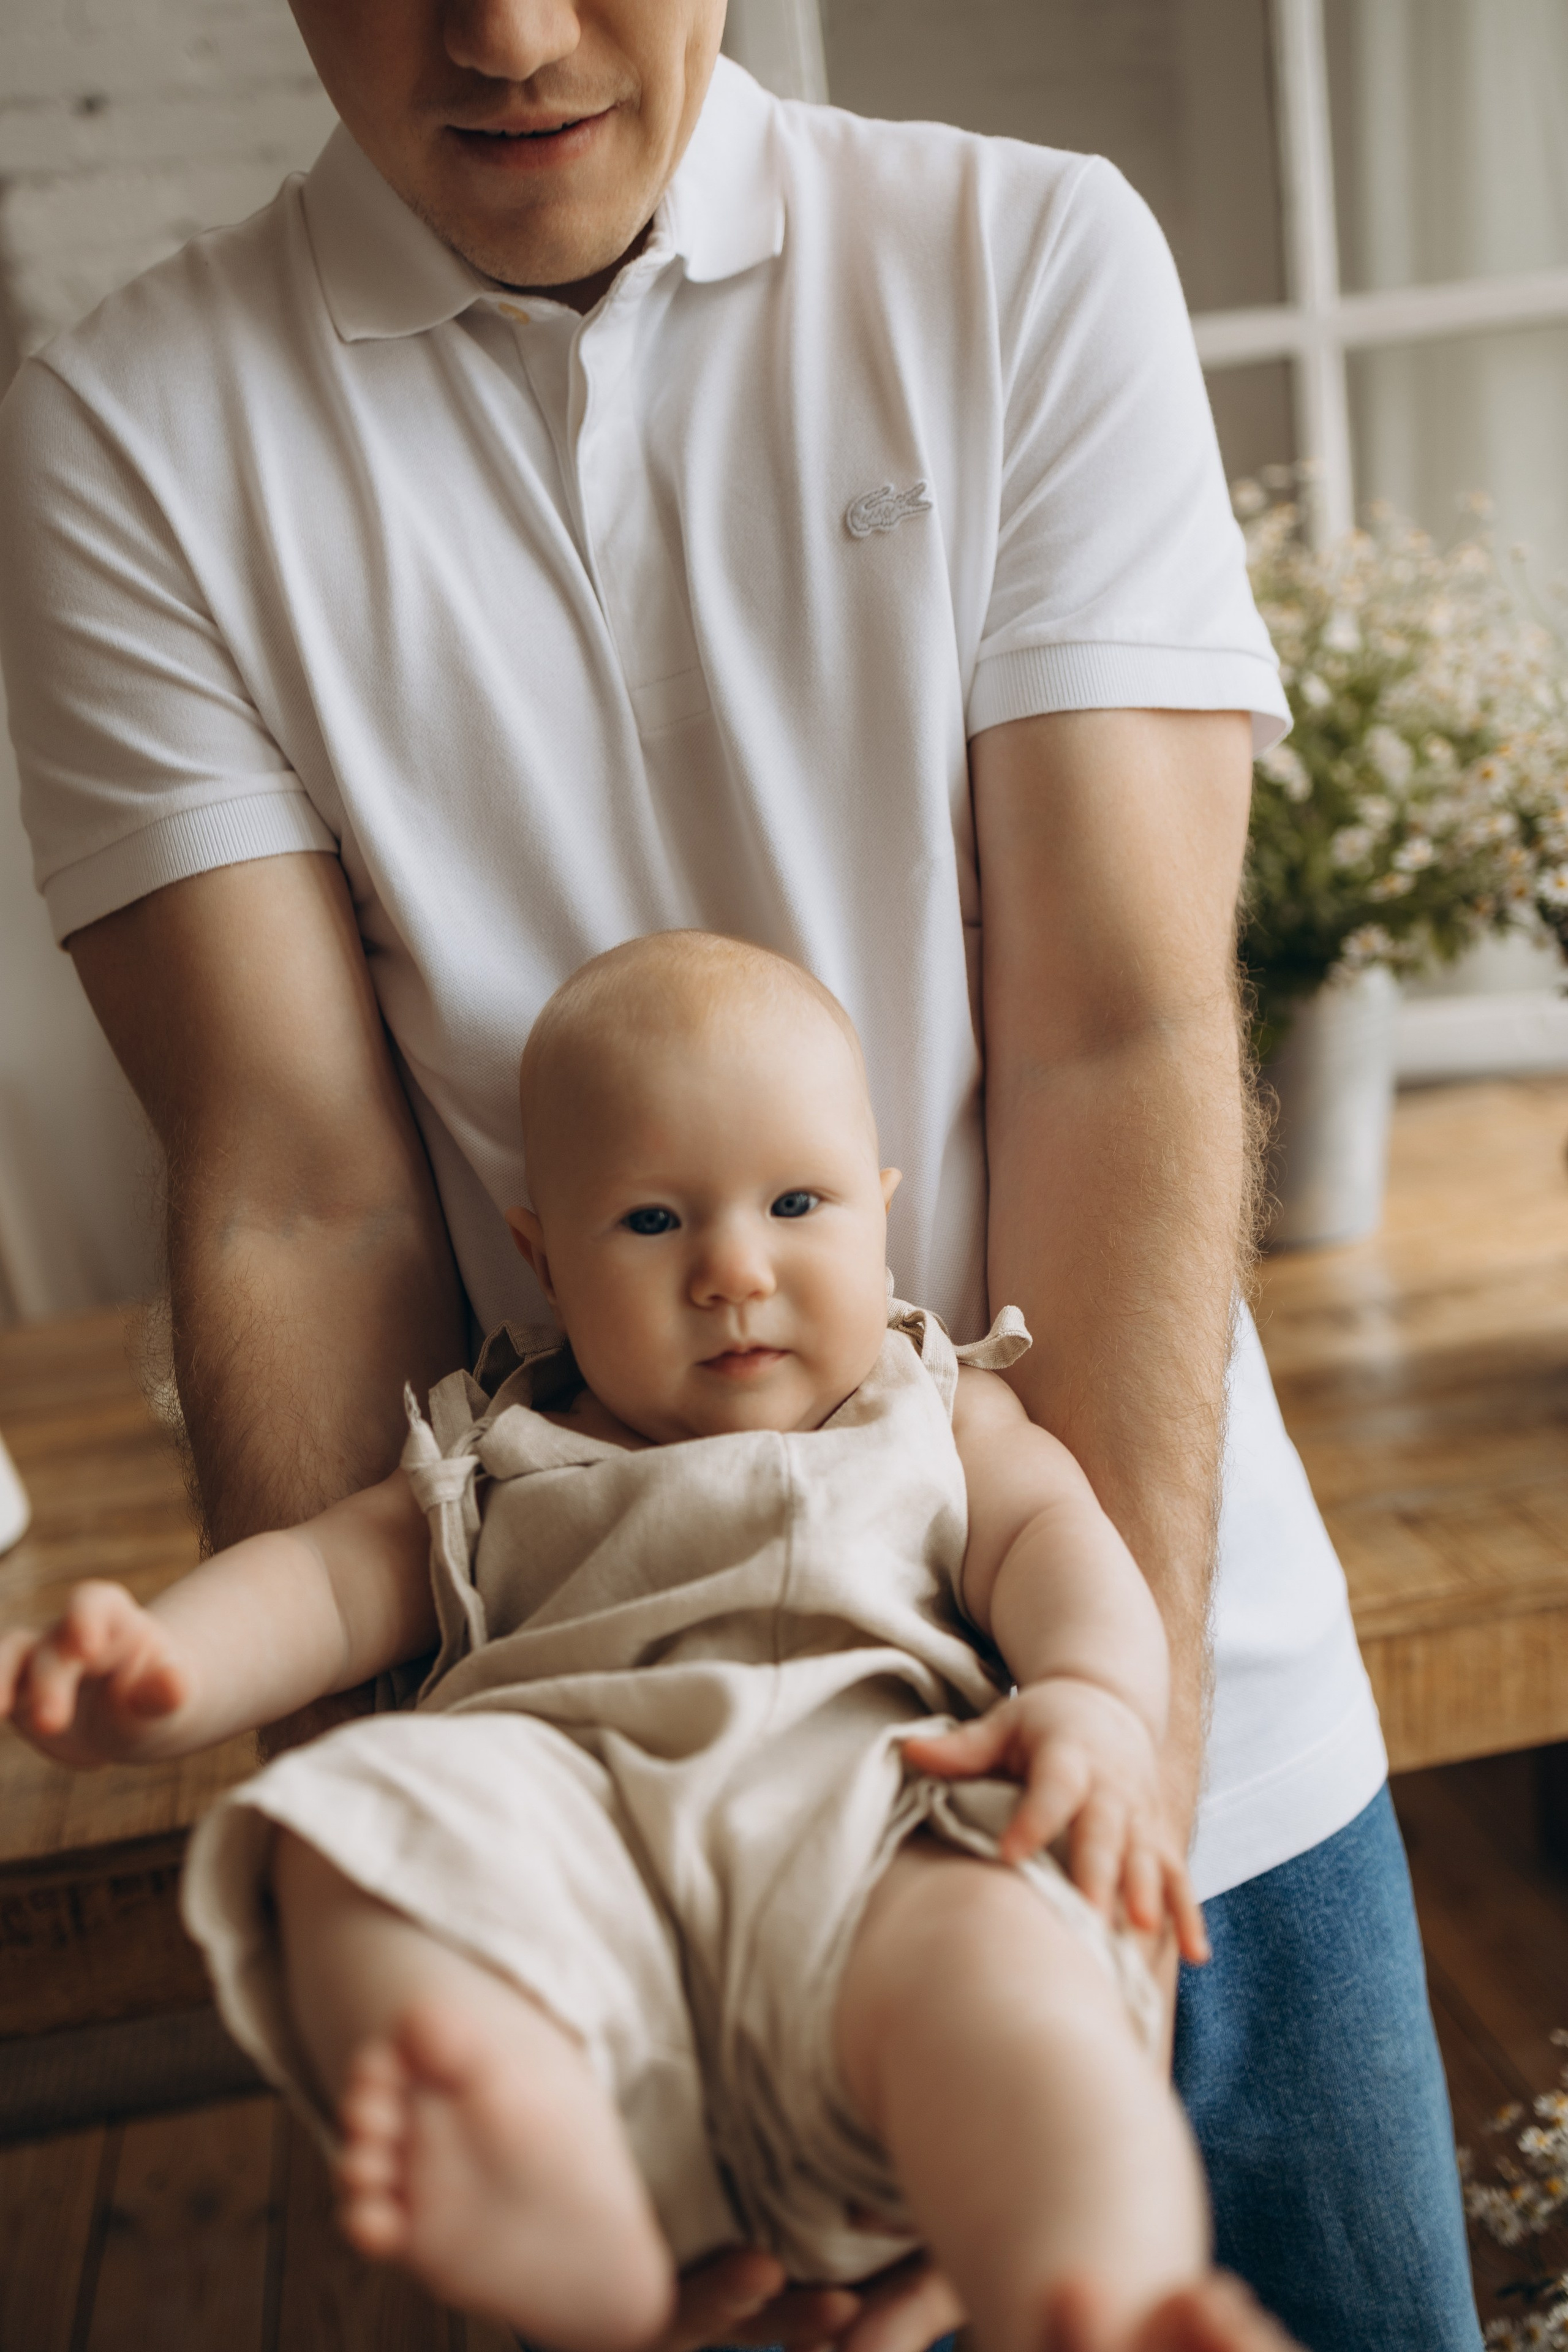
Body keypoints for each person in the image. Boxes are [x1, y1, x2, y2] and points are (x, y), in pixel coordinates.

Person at [0, 6, 1479, 2346]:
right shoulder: (133, 435)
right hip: (589, 1803)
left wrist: (1105, 1827)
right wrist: (521, 1971)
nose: (500, 34)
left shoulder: (1021, 261)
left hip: (1151, 1720)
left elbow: (1119, 1044)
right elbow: (295, 1198)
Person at [2, 932, 1307, 2352]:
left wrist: (1096, 1697)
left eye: (796, 1203)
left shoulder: (928, 1404)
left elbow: (1056, 1544)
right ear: (541, 1258)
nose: (731, 1271)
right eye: (648, 1224)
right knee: (341, 1826)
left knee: (1010, 1989)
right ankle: (552, 2183)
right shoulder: (498, 1445)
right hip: (570, 1851)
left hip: (876, 1834)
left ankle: (1096, 2292)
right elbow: (320, 1588)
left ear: (880, 1212)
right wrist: (164, 1674)